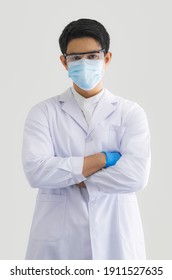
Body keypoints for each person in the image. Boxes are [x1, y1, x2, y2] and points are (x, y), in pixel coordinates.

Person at [22, 18, 151, 260]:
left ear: (107, 59)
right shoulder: (43, 113)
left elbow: (136, 176)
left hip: (117, 240)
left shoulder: (130, 113)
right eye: (76, 58)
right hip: (58, 246)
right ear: (64, 62)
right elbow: (36, 171)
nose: (84, 63)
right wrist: (102, 159)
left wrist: (74, 177)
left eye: (92, 56)